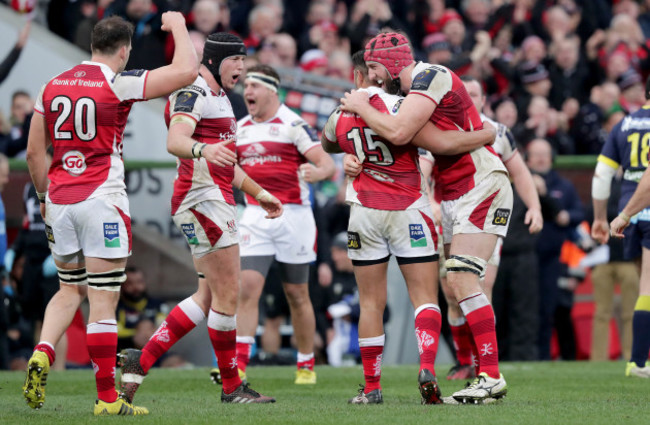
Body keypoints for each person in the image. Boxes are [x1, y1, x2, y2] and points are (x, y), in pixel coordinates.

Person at [23, 13, 199, 415]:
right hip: (101, 198)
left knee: (69, 290)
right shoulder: (118, 82)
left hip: (60, 201)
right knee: (103, 301)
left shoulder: (52, 85)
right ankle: (106, 398)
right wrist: (178, 25)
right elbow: (187, 70)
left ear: (91, 45)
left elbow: (35, 152)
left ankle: (43, 352)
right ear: (124, 50)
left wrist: (43, 195)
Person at [341, 32, 512, 403]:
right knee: (453, 284)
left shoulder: (430, 75)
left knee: (463, 278)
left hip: (480, 182)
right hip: (450, 191)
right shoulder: (404, 96)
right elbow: (439, 143)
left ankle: (491, 375)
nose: (371, 77)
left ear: (392, 63)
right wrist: (349, 157)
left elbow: (401, 131)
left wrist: (360, 106)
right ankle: (477, 369)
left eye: (374, 67)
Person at [118, 33, 280, 404]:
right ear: (215, 60)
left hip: (210, 198)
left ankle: (140, 359)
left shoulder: (220, 97)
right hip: (202, 200)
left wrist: (259, 193)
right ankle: (231, 387)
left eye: (245, 60)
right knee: (228, 294)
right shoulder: (194, 91)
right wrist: (205, 150)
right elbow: (176, 139)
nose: (241, 68)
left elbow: (225, 162)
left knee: (208, 295)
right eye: (235, 60)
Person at [231, 64, 335, 385]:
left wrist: (316, 173)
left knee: (297, 294)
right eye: (246, 85)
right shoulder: (241, 128)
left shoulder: (293, 124)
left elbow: (327, 163)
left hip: (294, 218)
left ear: (272, 91)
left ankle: (305, 364)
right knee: (247, 289)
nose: (247, 91)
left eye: (254, 86)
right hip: (255, 216)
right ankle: (239, 366)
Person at [441, 76, 542, 378]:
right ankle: (463, 359)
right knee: (452, 291)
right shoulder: (442, 125)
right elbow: (425, 168)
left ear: (484, 99)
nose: (469, 98)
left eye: (475, 93)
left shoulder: (498, 132)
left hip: (484, 211)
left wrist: (535, 207)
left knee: (480, 286)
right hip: (449, 210)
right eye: (465, 93)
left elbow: (521, 173)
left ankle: (483, 365)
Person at [598, 77, 650, 377]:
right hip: (638, 210)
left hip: (634, 213)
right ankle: (639, 362)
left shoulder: (625, 124)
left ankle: (639, 362)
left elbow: (601, 176)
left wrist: (604, 216)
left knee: (646, 286)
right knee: (647, 287)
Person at [525, 139, 583, 360]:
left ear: (552, 157)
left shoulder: (564, 186)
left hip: (553, 259)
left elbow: (579, 213)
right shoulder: (520, 183)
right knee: (524, 310)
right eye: (536, 154)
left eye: (545, 154)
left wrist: (566, 216)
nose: (541, 159)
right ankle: (523, 356)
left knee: (550, 308)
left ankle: (543, 356)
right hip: (525, 256)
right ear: (528, 159)